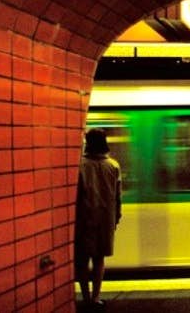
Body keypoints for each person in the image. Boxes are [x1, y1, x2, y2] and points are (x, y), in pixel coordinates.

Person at [75, 128, 122, 309]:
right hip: (105, 219)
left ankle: (86, 298)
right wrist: (116, 218)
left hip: (84, 219)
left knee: (82, 260)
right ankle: (96, 298)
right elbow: (118, 197)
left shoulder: (80, 166)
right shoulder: (113, 166)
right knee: (99, 259)